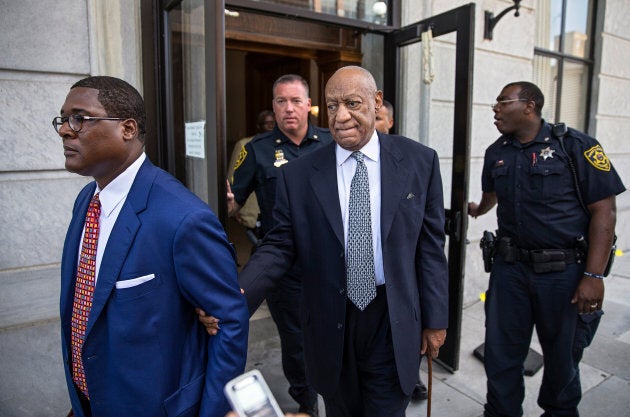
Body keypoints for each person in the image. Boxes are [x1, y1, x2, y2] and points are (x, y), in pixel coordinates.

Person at [236, 65, 449, 417]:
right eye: (332, 106)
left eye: (352, 103)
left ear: (377, 102)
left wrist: (436, 318)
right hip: (331, 321)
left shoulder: (418, 161)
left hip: (391, 319)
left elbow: (430, 247)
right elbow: (279, 245)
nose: (341, 116)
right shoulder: (299, 174)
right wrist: (237, 295)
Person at [54, 75, 249, 417]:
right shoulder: (87, 200)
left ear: (127, 129)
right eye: (63, 119)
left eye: (80, 118)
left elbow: (229, 324)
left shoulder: (182, 218)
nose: (66, 130)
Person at [468, 81, 625, 417]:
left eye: (502, 101)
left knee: (563, 356)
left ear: (530, 105)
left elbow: (604, 211)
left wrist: (593, 275)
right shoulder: (497, 152)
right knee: (501, 353)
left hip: (563, 274)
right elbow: (491, 195)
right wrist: (477, 210)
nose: (494, 109)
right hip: (510, 271)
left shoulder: (576, 146)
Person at [229, 74, 333, 416]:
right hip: (284, 267)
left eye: (296, 101)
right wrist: (225, 203)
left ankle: (335, 396)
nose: (289, 109)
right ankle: (307, 404)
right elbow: (233, 203)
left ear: (308, 105)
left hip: (330, 264)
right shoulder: (256, 150)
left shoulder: (332, 144)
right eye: (281, 101)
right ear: (273, 107)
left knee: (333, 333)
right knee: (296, 342)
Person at [373, 98, 428, 402]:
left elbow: (429, 246)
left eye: (379, 118)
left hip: (399, 287)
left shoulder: (415, 162)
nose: (373, 125)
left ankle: (410, 375)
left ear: (390, 122)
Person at [227, 110, 275, 244]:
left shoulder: (282, 146)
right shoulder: (246, 145)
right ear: (259, 126)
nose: (271, 127)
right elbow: (233, 177)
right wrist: (236, 208)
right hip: (252, 207)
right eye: (267, 123)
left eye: (273, 123)